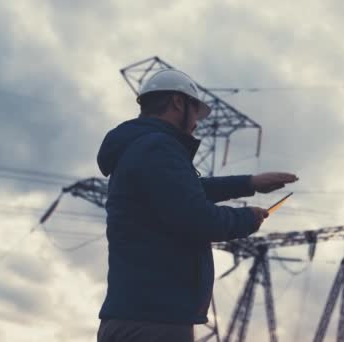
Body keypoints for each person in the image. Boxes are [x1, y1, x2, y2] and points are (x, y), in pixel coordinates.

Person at [95, 69, 298, 342]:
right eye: (196, 114)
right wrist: (247, 218)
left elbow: (184, 193)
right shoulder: (158, 147)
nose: (197, 125)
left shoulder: (140, 147)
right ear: (178, 103)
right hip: (154, 321)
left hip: (141, 315)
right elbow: (198, 217)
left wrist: (249, 183)